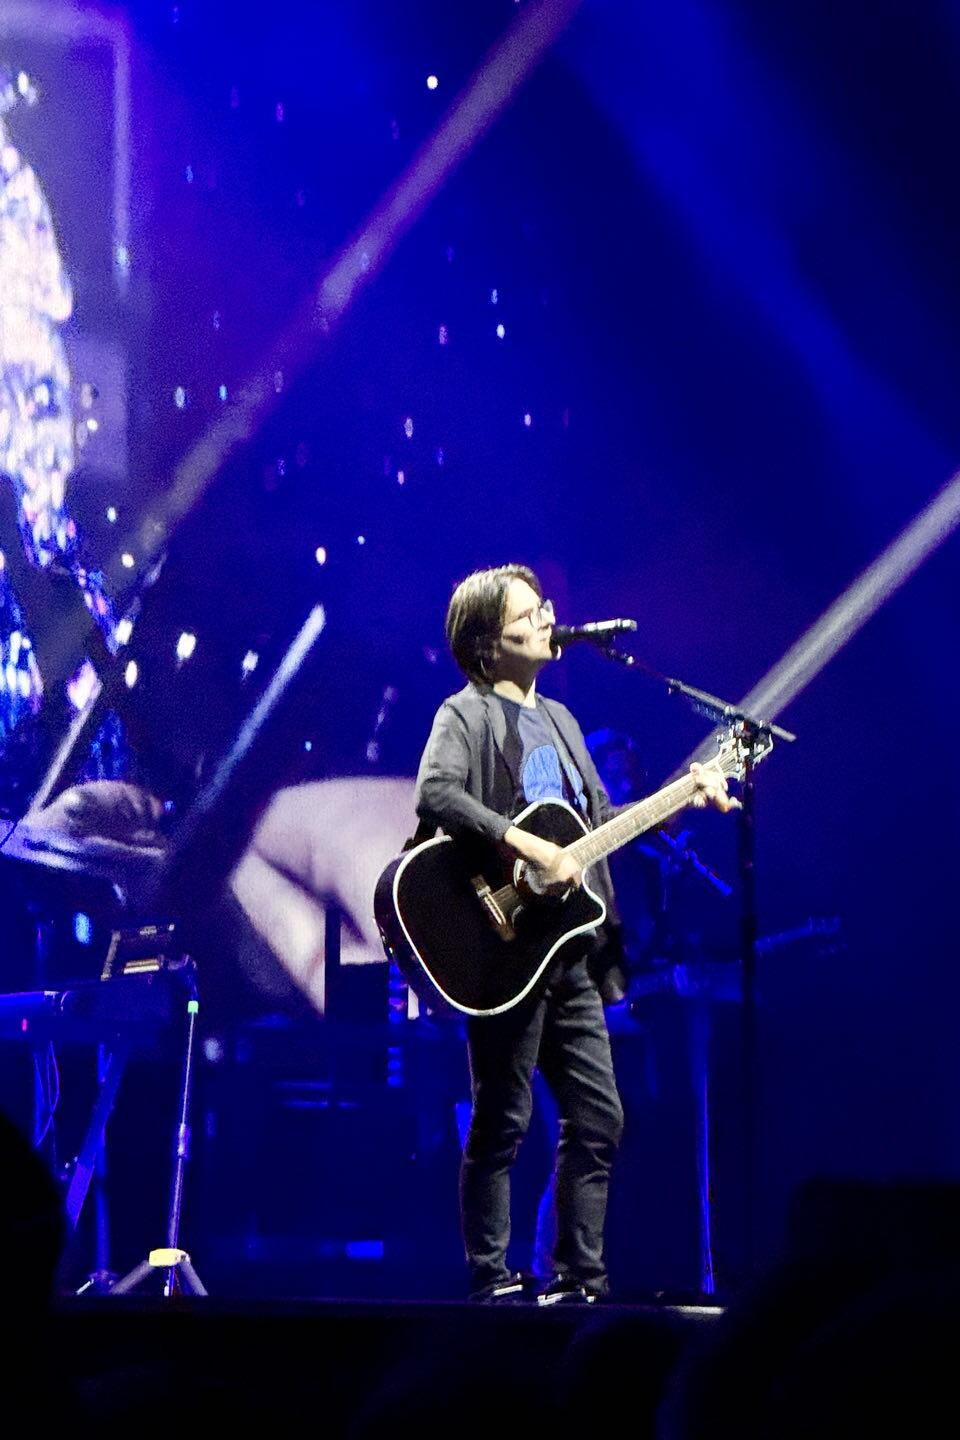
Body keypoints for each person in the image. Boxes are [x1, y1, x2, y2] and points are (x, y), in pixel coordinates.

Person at [413, 563, 737, 1304]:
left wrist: (684, 796)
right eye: (529, 614)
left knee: (599, 1117)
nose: (547, 620)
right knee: (503, 1117)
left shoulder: (560, 720)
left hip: (569, 949)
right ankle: (490, 1280)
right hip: (502, 945)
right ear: (489, 644)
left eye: (545, 607)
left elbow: (596, 826)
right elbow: (437, 792)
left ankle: (578, 1281)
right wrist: (529, 848)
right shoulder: (464, 715)